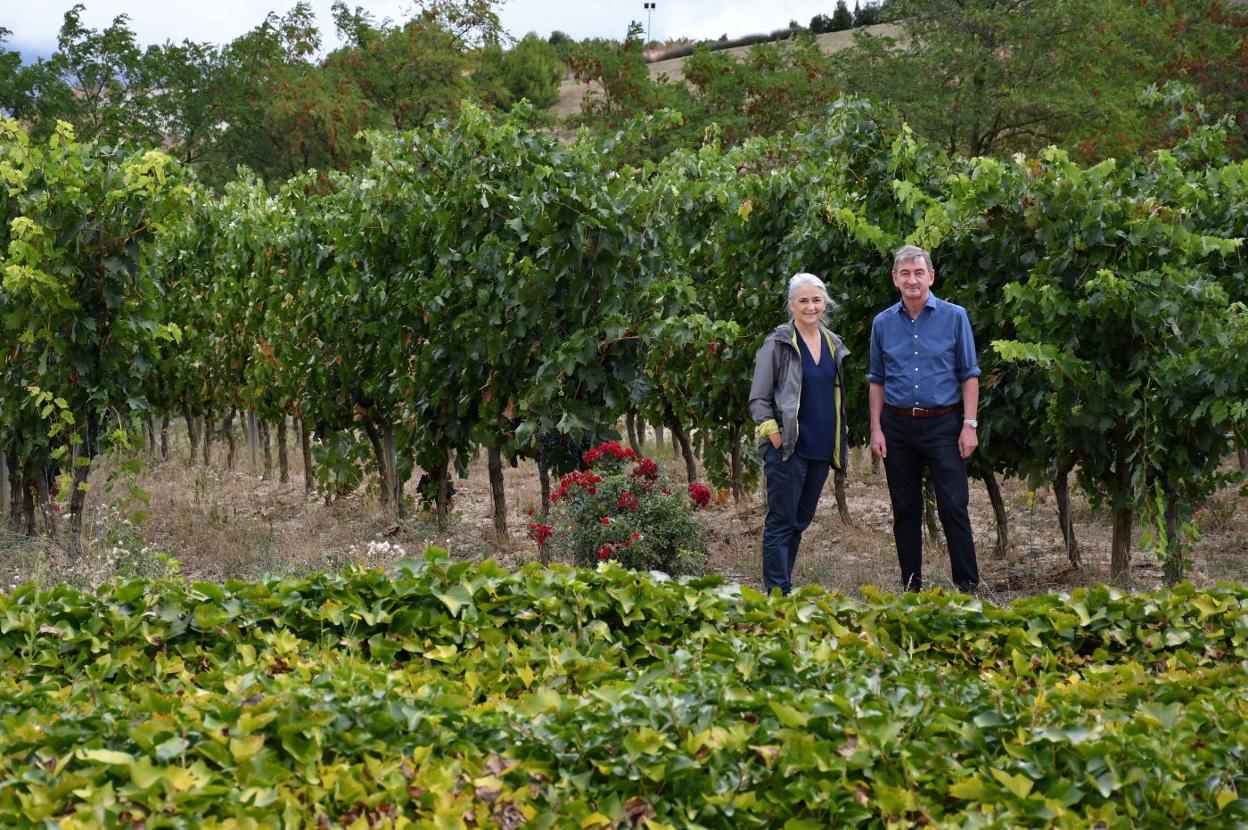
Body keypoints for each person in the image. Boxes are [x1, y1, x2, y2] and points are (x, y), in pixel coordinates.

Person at [868, 245, 980, 593]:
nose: (912, 279)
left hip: (943, 424)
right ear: (895, 279)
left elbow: (969, 374)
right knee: (905, 509)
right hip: (897, 426)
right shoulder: (882, 323)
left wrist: (969, 425)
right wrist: (876, 428)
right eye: (905, 273)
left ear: (931, 276)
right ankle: (912, 587)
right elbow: (877, 380)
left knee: (953, 506)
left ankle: (967, 585)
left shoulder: (954, 316)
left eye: (919, 272)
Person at [749, 273, 850, 595]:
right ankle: (777, 594)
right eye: (803, 300)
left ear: (825, 303)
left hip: (820, 448)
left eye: (816, 300)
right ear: (792, 304)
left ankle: (784, 586)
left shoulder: (834, 344)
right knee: (781, 521)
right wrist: (773, 434)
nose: (810, 306)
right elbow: (759, 398)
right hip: (788, 448)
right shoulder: (778, 343)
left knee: (799, 522)